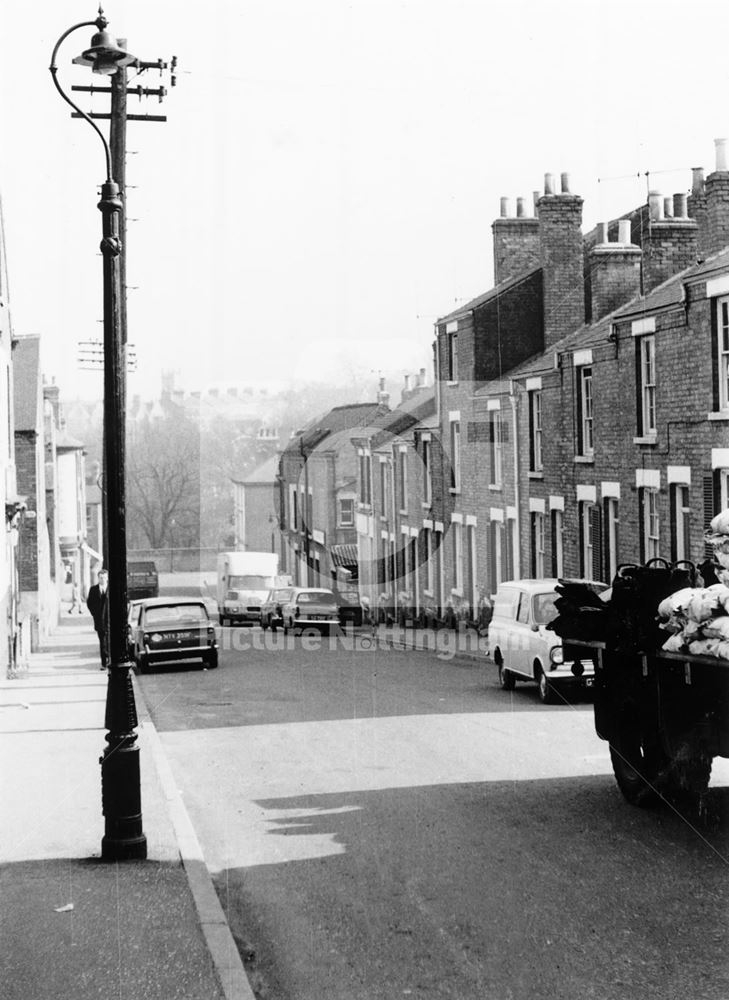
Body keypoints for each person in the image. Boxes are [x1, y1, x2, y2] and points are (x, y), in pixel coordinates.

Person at [86, 569, 109, 669]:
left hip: (110, 621)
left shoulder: (110, 589)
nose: (102, 579)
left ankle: (110, 660)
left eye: (104, 577)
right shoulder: (93, 589)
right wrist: (95, 613)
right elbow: (89, 603)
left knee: (110, 642)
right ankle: (103, 663)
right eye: (100, 578)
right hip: (99, 621)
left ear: (107, 578)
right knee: (102, 643)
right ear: (98, 578)